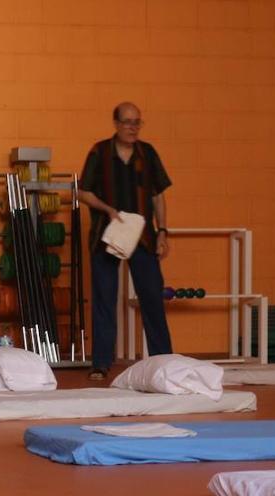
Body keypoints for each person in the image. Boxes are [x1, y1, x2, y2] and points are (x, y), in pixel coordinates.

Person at [77, 102, 173, 380]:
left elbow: (157, 195)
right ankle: (101, 362)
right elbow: (84, 192)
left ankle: (163, 359)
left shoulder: (148, 153)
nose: (132, 128)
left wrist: (163, 231)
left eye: (137, 123)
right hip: (106, 237)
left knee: (152, 297)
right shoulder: (100, 152)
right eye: (127, 122)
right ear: (116, 123)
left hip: (143, 237)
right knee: (105, 299)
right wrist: (108, 211)